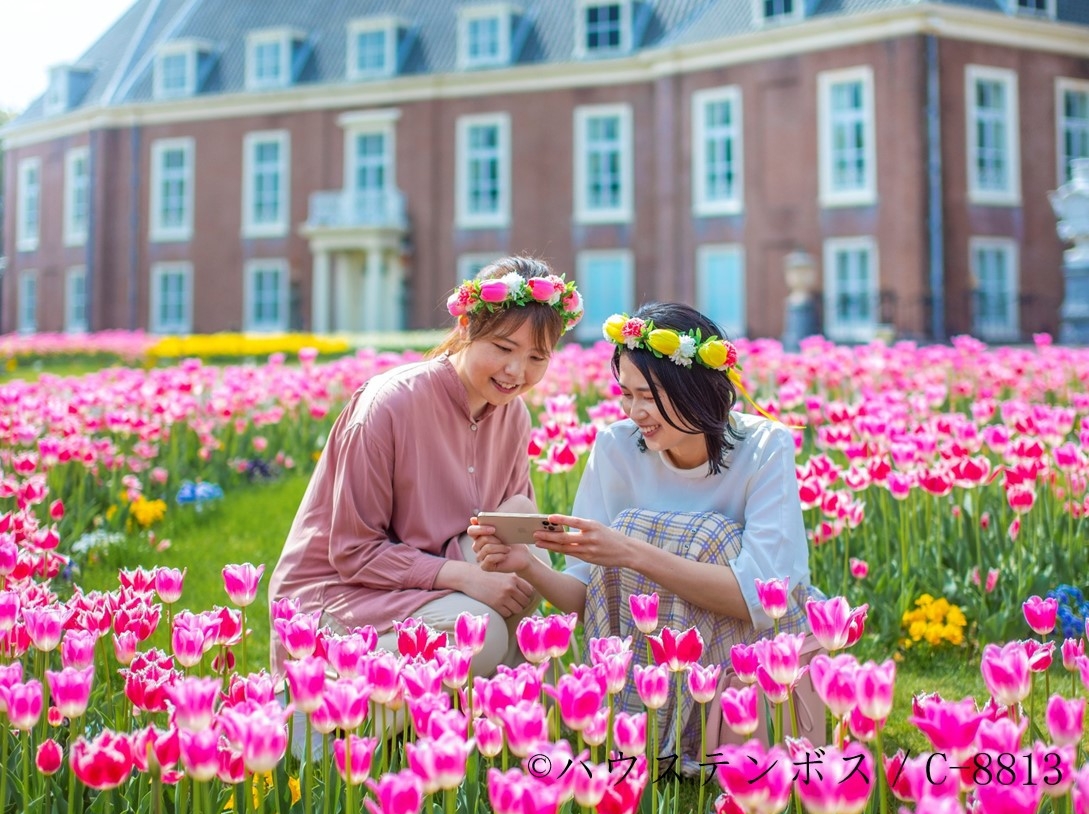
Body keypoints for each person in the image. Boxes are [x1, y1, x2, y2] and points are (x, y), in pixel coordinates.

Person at [472, 301, 824, 759]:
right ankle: (652, 741)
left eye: (648, 395)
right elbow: (594, 598)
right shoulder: (617, 448)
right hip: (650, 668)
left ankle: (694, 741)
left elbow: (758, 598)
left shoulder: (763, 447)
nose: (634, 411)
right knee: (646, 533)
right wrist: (529, 566)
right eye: (626, 394)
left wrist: (630, 550)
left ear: (693, 387)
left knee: (703, 536)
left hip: (745, 661)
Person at [268, 256, 584, 678]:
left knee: (520, 529)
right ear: (466, 328)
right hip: (342, 597)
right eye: (504, 348)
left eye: (536, 357)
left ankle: (499, 716)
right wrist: (461, 577)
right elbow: (353, 552)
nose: (516, 371)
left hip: (430, 585)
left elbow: (508, 541)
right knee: (481, 636)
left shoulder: (513, 416)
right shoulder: (390, 405)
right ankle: (325, 715)